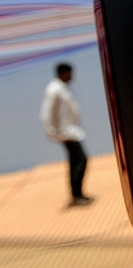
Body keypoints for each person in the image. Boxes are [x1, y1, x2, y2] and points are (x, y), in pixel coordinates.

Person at [40, 63, 94, 206]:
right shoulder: (54, 89)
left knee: (76, 162)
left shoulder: (62, 88)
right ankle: (76, 195)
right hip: (66, 133)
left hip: (71, 131)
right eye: (70, 73)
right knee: (81, 161)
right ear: (63, 73)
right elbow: (47, 113)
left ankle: (77, 194)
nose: (71, 76)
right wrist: (54, 134)